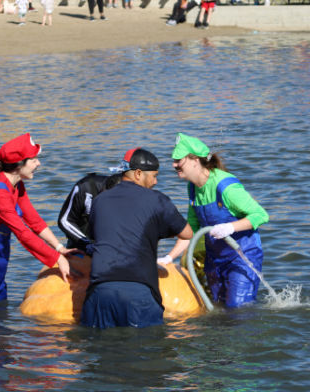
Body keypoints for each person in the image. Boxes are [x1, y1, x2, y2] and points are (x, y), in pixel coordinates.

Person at [0, 133, 74, 310]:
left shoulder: (16, 184)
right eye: (33, 160)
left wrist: (59, 248)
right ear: (19, 164)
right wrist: (57, 260)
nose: (38, 164)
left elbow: (33, 220)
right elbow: (22, 233)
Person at [80, 148, 193, 329]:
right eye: (154, 176)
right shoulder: (157, 200)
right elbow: (187, 233)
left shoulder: (100, 200)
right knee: (145, 353)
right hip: (138, 292)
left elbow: (98, 234)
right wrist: (157, 230)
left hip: (100, 292)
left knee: (102, 353)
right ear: (138, 174)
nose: (156, 182)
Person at [159, 133, 269, 308]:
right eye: (174, 160)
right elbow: (191, 230)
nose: (174, 165)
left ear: (195, 160)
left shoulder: (225, 186)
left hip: (241, 257)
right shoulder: (193, 188)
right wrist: (169, 257)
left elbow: (261, 215)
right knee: (217, 311)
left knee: (238, 311)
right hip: (215, 259)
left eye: (178, 160)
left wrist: (230, 227)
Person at [57, 172, 122, 254]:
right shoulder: (85, 187)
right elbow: (64, 221)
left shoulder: (134, 194)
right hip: (82, 245)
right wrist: (87, 244)